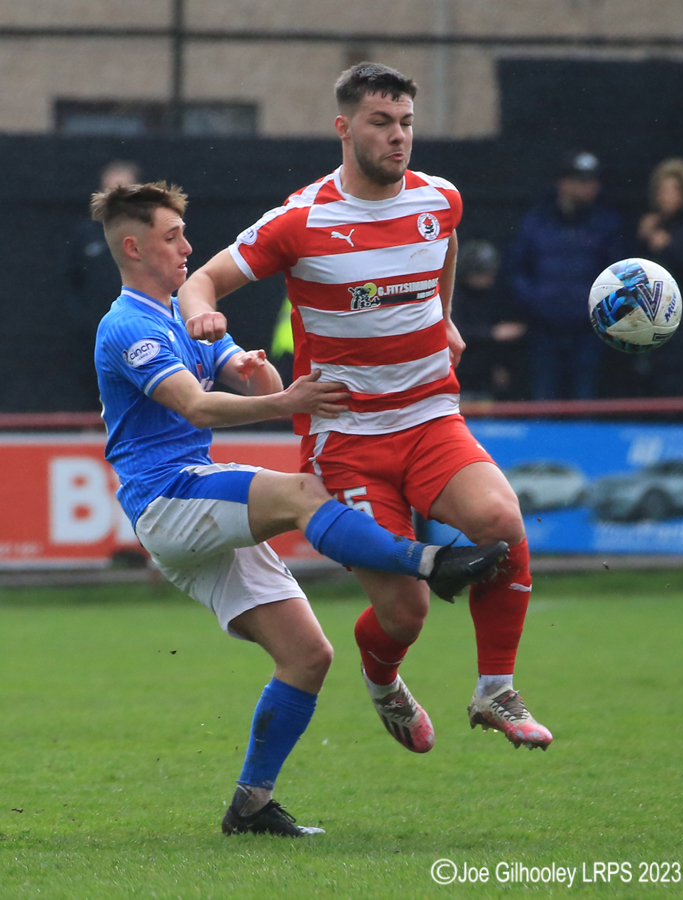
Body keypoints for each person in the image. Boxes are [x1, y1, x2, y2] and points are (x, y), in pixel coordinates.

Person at [91, 181, 506, 837]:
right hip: (165, 495)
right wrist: (280, 404)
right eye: (173, 238)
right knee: (302, 493)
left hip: (192, 495)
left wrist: (259, 376)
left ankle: (250, 807)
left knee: (308, 656)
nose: (187, 248)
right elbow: (197, 407)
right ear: (135, 246)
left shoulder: (176, 315)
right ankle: (431, 562)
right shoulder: (127, 325)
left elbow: (258, 384)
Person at [178, 62, 553, 757]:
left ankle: (494, 689)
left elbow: (443, 249)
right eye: (381, 123)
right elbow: (203, 280)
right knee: (403, 608)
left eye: (406, 123)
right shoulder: (301, 219)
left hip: (430, 417)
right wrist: (201, 315)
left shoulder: (440, 198)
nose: (398, 136)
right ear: (344, 128)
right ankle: (382, 680)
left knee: (502, 522)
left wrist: (442, 318)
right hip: (345, 439)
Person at [508, 151, 625, 400]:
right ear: (563, 183)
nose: (589, 188)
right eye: (582, 181)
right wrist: (536, 301)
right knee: (543, 401)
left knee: (586, 401)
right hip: (543, 330)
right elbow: (518, 268)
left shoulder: (607, 224)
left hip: (589, 332)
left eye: (593, 182)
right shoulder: (536, 221)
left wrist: (596, 308)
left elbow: (619, 275)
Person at [68, 160, 142, 408]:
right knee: (94, 390)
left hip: (139, 329)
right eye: (112, 189)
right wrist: (84, 320)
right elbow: (72, 281)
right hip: (96, 332)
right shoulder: (86, 234)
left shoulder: (150, 234)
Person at [636, 157, 683, 396]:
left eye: (673, 190)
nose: (665, 196)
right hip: (652, 328)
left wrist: (668, 246)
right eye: (662, 190)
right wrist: (644, 240)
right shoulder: (652, 226)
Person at [452, 240, 528, 400]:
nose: (488, 278)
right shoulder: (454, 295)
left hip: (486, 374)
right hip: (460, 370)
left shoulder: (495, 295)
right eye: (482, 274)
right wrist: (491, 333)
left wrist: (500, 366)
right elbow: (456, 332)